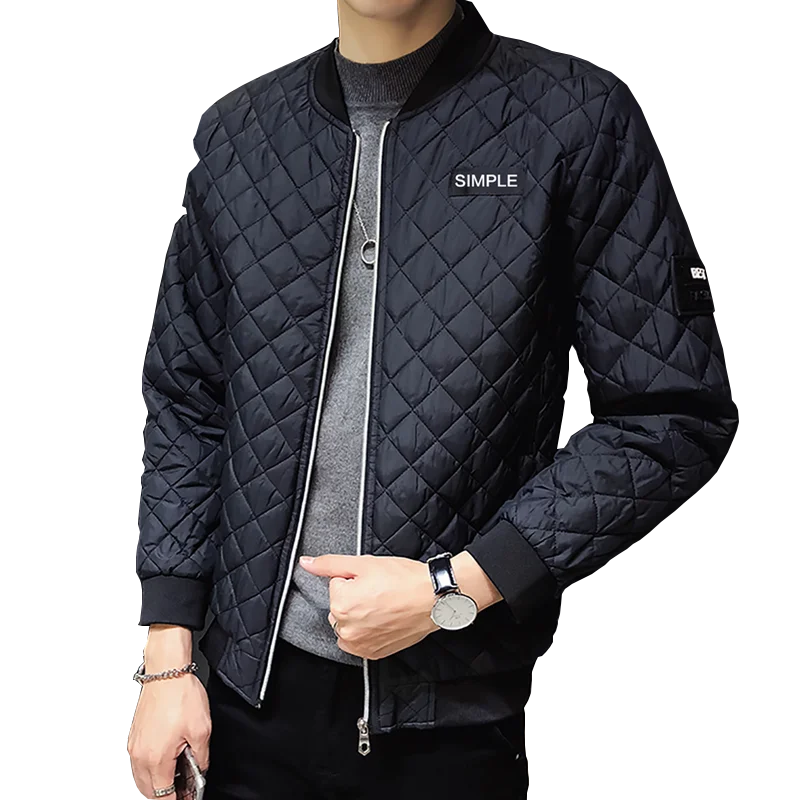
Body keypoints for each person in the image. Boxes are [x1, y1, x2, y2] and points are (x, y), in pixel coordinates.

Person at [128, 1, 739, 798]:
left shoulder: (573, 117)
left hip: (452, 714)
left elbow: (673, 413)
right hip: (247, 701)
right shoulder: (239, 131)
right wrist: (167, 658)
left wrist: (453, 587)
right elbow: (187, 398)